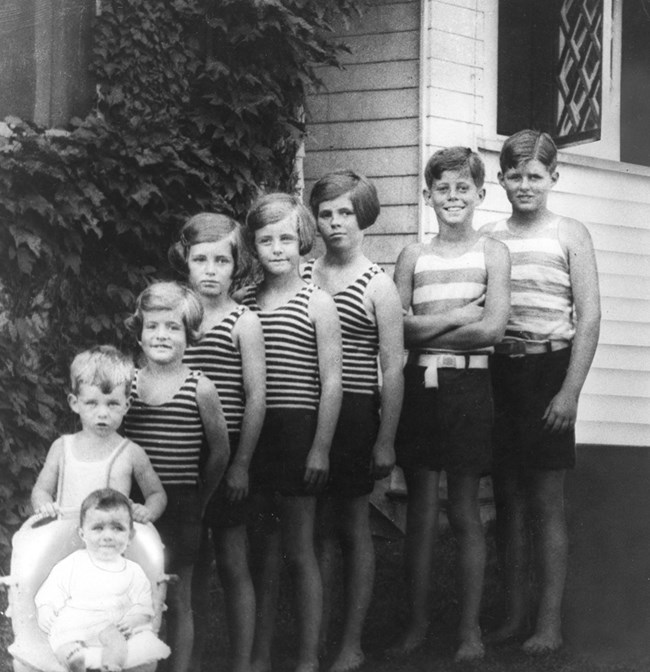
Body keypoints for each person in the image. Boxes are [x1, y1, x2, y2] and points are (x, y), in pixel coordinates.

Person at [481, 129, 601, 654]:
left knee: (545, 501)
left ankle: (548, 623)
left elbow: (589, 316)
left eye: (535, 176)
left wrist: (570, 392)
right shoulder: (491, 237)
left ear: (554, 177)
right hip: (498, 374)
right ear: (501, 178)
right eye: (514, 175)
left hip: (549, 372)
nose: (524, 185)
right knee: (506, 500)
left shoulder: (569, 232)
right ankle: (512, 614)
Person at [392, 146, 511, 661]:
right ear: (428, 195)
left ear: (481, 194)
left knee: (463, 510)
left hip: (469, 388)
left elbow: (493, 329)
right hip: (420, 388)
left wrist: (431, 328)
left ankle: (469, 631)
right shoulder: (412, 256)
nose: (453, 196)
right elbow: (397, 329)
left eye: (464, 188)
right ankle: (415, 625)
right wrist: (461, 313)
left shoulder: (492, 253)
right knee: (419, 512)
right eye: (443, 188)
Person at [305, 170, 404, 672]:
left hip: (357, 414)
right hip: (310, 412)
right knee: (317, 528)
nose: (335, 222)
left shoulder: (377, 284)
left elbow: (393, 368)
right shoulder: (304, 274)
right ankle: (316, 635)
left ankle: (351, 641)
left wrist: (385, 440)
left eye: (345, 212)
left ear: (363, 216)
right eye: (326, 213)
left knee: (352, 523)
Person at [241, 193, 343, 672]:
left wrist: (321, 447)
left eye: (286, 238)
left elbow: (332, 381)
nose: (277, 248)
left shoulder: (316, 301)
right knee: (262, 550)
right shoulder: (244, 304)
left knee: (300, 549)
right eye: (266, 240)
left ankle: (307, 656)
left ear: (303, 239)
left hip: (299, 432)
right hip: (256, 432)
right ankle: (259, 655)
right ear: (253, 246)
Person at [169, 213, 266, 672]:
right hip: (185, 459)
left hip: (229, 460)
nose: (210, 269)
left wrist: (242, 464)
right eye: (200, 259)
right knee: (190, 565)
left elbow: (255, 396)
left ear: (236, 265)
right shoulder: (176, 319)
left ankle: (242, 662)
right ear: (184, 262)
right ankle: (194, 657)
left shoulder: (243, 321)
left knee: (232, 560)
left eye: (221, 260)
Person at [123, 281, 231, 672]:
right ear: (139, 331)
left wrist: (201, 499)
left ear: (190, 335)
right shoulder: (128, 385)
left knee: (179, 596)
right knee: (133, 593)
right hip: (134, 507)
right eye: (152, 326)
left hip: (183, 503)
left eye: (172, 327)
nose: (161, 335)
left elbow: (220, 450)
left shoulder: (201, 387)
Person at [35, 488, 170, 672]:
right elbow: (52, 590)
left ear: (130, 536)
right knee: (62, 640)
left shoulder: (133, 571)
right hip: (75, 623)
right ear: (82, 534)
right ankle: (75, 659)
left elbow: (144, 605)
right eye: (98, 528)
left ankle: (110, 665)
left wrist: (133, 620)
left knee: (117, 642)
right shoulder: (74, 563)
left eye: (118, 528)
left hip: (110, 626)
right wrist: (46, 608)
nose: (107, 536)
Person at [31, 345, 166, 524]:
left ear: (126, 405)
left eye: (112, 404)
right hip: (66, 538)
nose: (103, 413)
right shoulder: (62, 447)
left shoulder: (131, 453)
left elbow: (156, 494)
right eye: (92, 403)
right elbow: (41, 490)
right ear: (74, 403)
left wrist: (147, 511)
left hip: (110, 540)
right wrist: (45, 506)